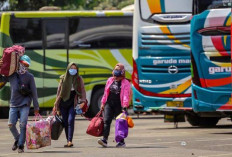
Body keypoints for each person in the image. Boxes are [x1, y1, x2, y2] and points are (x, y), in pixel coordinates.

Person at [0, 55, 39, 153]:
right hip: (13, 104)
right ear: (19, 63)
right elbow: (2, 78)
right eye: (23, 64)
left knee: (23, 124)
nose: (25, 67)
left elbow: (34, 92)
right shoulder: (12, 75)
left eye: (27, 65)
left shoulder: (30, 77)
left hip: (25, 104)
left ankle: (21, 145)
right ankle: (17, 138)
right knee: (11, 125)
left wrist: (36, 107)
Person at [53, 62, 86, 147]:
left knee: (70, 120)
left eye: (75, 69)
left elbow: (82, 90)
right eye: (71, 68)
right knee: (65, 122)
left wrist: (83, 101)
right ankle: (68, 140)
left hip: (73, 102)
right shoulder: (63, 78)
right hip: (63, 102)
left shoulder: (78, 79)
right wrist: (56, 105)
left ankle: (70, 140)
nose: (73, 70)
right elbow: (59, 92)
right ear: (68, 69)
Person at [98, 63, 131, 148]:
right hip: (109, 103)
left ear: (122, 73)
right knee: (106, 120)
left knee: (120, 123)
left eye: (118, 70)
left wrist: (124, 106)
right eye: (115, 69)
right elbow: (106, 92)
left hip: (119, 105)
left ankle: (121, 142)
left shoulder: (125, 82)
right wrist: (103, 103)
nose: (116, 76)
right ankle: (104, 140)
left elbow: (125, 95)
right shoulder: (110, 80)